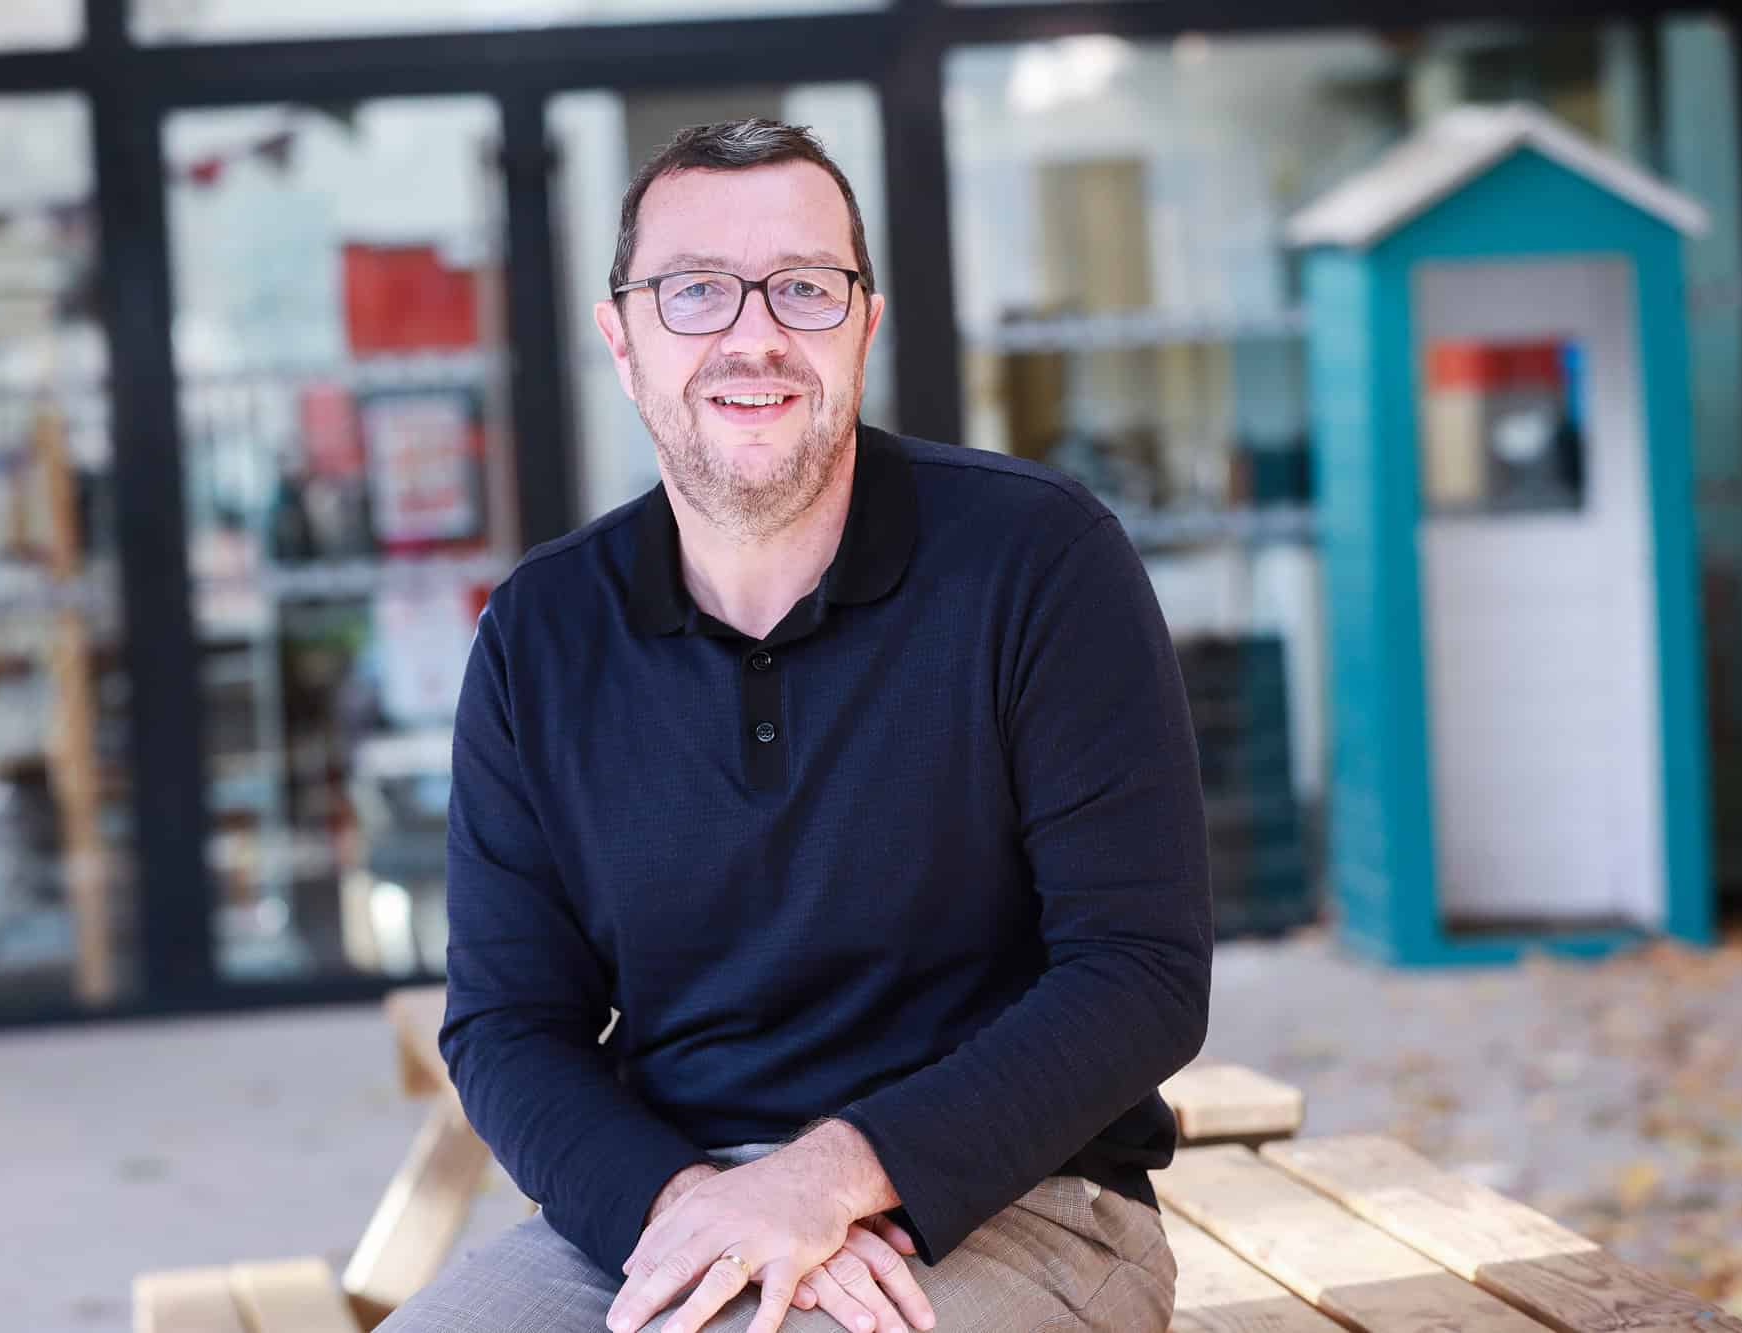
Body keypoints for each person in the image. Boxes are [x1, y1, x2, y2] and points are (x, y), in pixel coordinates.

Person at [379, 118, 1211, 1333]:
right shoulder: (540, 633)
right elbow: (508, 1024)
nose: (752, 334)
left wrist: (825, 1182)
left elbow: (1140, 973)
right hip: (667, 1204)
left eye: (804, 288)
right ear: (621, 341)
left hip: (1011, 1198)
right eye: (693, 291)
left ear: (864, 324)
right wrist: (694, 1206)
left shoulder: (1038, 561)